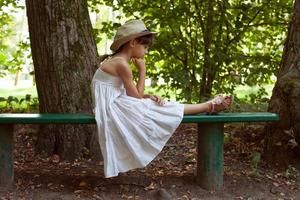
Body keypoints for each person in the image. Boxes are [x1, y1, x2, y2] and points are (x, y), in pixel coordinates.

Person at [91, 19, 233, 178]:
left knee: (156, 105)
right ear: (132, 43)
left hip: (114, 103)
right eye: (145, 47)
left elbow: (132, 94)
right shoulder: (122, 64)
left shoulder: (118, 61)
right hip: (111, 108)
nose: (146, 52)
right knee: (160, 109)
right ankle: (209, 106)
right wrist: (142, 71)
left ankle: (209, 105)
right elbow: (135, 98)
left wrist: (147, 96)